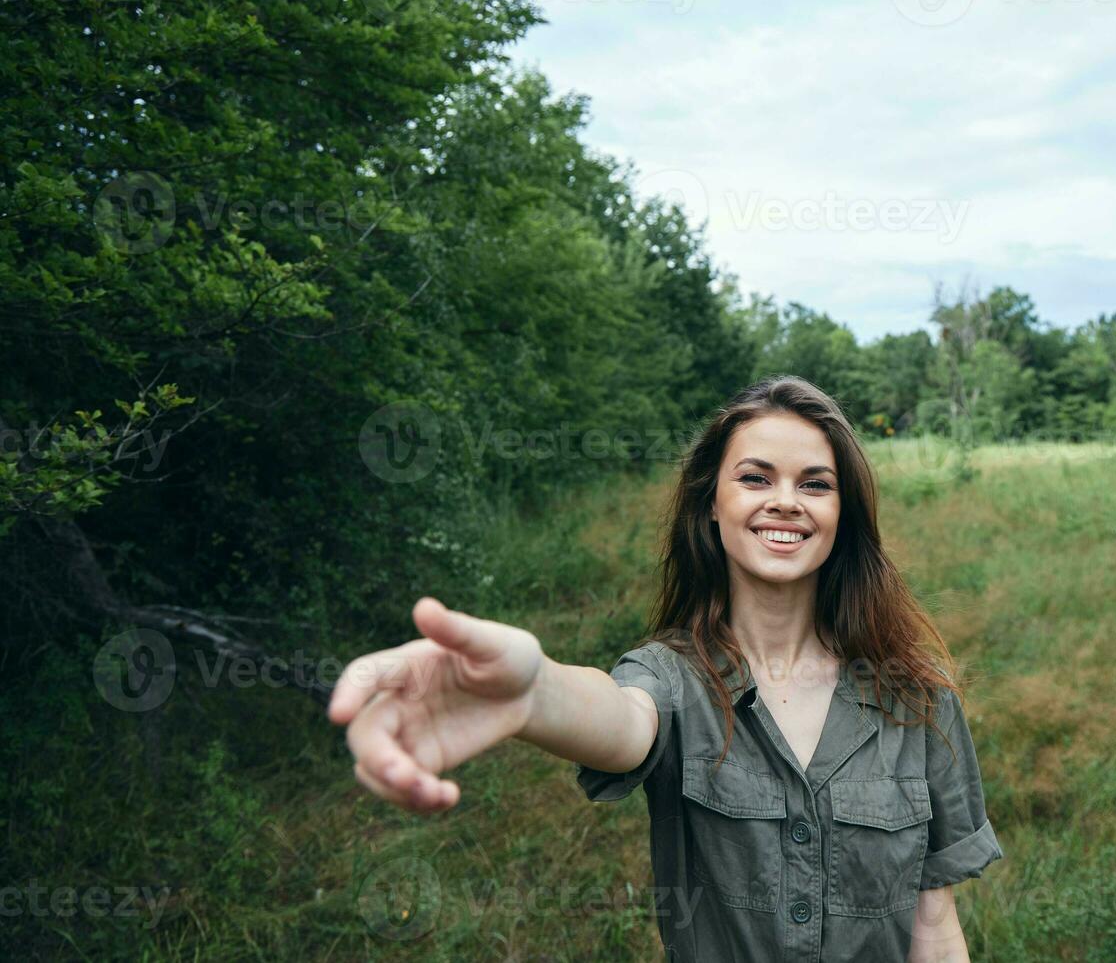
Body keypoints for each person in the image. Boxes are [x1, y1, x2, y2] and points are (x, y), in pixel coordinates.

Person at [328, 375, 1003, 961]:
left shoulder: (915, 698)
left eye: (815, 485)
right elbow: (622, 719)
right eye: (756, 477)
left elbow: (933, 927)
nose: (786, 501)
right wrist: (532, 694)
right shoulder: (671, 678)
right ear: (714, 503)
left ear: (842, 513)